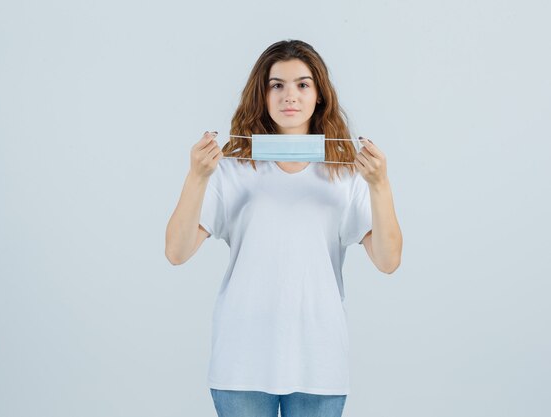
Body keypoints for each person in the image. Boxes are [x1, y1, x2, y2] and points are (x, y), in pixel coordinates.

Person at [165, 39, 403, 417]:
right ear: (262, 93)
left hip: (319, 361)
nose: (289, 95)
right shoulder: (231, 169)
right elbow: (176, 252)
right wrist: (196, 177)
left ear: (319, 95)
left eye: (302, 84)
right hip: (241, 362)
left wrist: (380, 185)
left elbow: (389, 261)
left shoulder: (346, 174)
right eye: (277, 84)